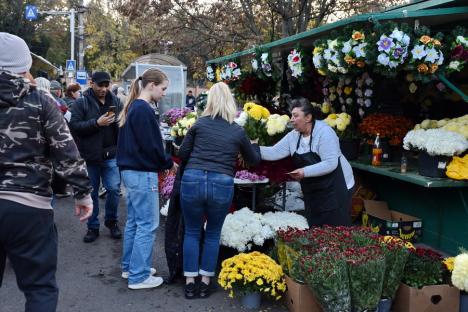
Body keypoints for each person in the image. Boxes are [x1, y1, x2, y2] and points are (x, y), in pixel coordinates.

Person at [0, 32, 93, 312]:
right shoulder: (40, 102)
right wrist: (83, 193)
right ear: (24, 65)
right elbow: (66, 150)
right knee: (39, 288)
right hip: (27, 206)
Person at [178, 82, 261, 299]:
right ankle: (205, 281)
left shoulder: (198, 124)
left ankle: (189, 282)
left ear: (210, 101)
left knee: (192, 231)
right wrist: (253, 144)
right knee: (213, 233)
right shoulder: (237, 130)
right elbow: (253, 159)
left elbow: (184, 153)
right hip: (222, 182)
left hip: (193, 179)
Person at [117, 68, 177, 289]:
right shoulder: (143, 110)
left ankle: (130, 267)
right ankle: (139, 275)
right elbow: (151, 146)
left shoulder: (134, 107)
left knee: (135, 221)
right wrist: (168, 163)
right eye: (163, 88)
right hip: (141, 173)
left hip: (131, 172)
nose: (163, 93)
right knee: (147, 224)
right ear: (151, 85)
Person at [260, 97, 355, 226]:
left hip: (337, 187)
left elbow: (331, 163)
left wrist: (304, 172)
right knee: (315, 227)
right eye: (291, 116)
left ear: (308, 117)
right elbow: (274, 152)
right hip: (314, 189)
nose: (291, 119)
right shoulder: (293, 136)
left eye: (295, 116)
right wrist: (248, 147)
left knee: (336, 230)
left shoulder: (325, 133)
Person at [69, 71, 123, 243]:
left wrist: (120, 123)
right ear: (91, 83)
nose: (104, 89)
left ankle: (111, 221)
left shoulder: (115, 101)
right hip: (90, 156)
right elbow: (75, 126)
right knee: (91, 193)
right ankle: (93, 227)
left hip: (111, 154)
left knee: (114, 189)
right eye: (100, 85)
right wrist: (96, 123)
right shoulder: (81, 103)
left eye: (107, 85)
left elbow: (122, 125)